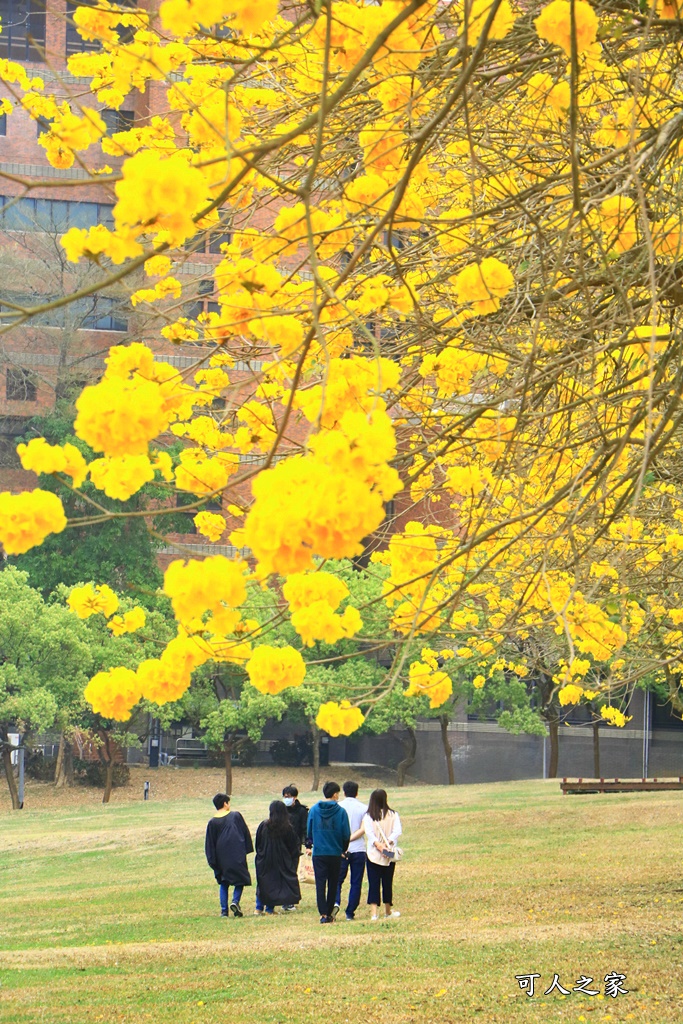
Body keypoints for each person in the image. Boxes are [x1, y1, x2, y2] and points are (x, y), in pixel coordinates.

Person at [351, 788, 402, 921]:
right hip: (388, 854)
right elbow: (397, 831)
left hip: (373, 854)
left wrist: (379, 846)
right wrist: (387, 844)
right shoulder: (393, 815)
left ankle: (374, 913)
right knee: (387, 882)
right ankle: (387, 910)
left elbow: (370, 834)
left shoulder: (369, 816)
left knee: (373, 883)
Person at [306, 780, 351, 924]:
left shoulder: (313, 810)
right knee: (333, 883)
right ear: (335, 794)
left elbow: (308, 831)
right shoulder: (341, 811)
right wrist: (343, 848)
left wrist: (312, 843)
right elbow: (346, 833)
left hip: (319, 852)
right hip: (335, 852)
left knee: (320, 883)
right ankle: (330, 913)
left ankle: (322, 913)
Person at [204, 793, 253, 918]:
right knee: (240, 880)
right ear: (225, 803)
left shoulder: (212, 822)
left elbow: (210, 843)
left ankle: (224, 911)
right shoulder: (235, 816)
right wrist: (246, 850)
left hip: (221, 858)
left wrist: (213, 861)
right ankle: (235, 901)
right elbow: (245, 832)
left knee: (224, 882)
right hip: (236, 854)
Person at [254, 800, 302, 916]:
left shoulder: (264, 825)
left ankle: (258, 908)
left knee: (263, 882)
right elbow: (293, 846)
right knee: (274, 884)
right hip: (281, 861)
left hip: (264, 859)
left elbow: (258, 843)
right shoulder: (287, 828)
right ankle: (269, 909)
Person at [333, 780, 367, 921]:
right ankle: (350, 912)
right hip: (358, 849)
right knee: (356, 882)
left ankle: (335, 903)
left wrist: (344, 841)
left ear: (344, 792)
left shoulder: (337, 807)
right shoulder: (364, 808)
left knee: (337, 881)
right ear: (357, 792)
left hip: (341, 849)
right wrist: (352, 839)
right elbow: (363, 829)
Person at [281, 784, 308, 912]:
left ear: (295, 797)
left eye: (289, 796)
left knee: (292, 872)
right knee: (282, 872)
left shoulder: (302, 811)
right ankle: (283, 900)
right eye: (285, 796)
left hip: (294, 847)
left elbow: (305, 829)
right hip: (281, 846)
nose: (286, 798)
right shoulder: (281, 810)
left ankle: (290, 901)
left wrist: (307, 844)